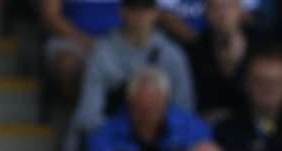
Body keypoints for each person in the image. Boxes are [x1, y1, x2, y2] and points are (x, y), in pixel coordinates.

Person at [70, 0, 196, 143]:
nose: (139, 15)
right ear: (121, 11)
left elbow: (184, 109)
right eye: (133, 8)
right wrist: (115, 137)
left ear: (156, 12)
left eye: (145, 9)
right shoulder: (102, 53)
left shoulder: (173, 54)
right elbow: (89, 112)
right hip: (115, 139)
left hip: (163, 140)